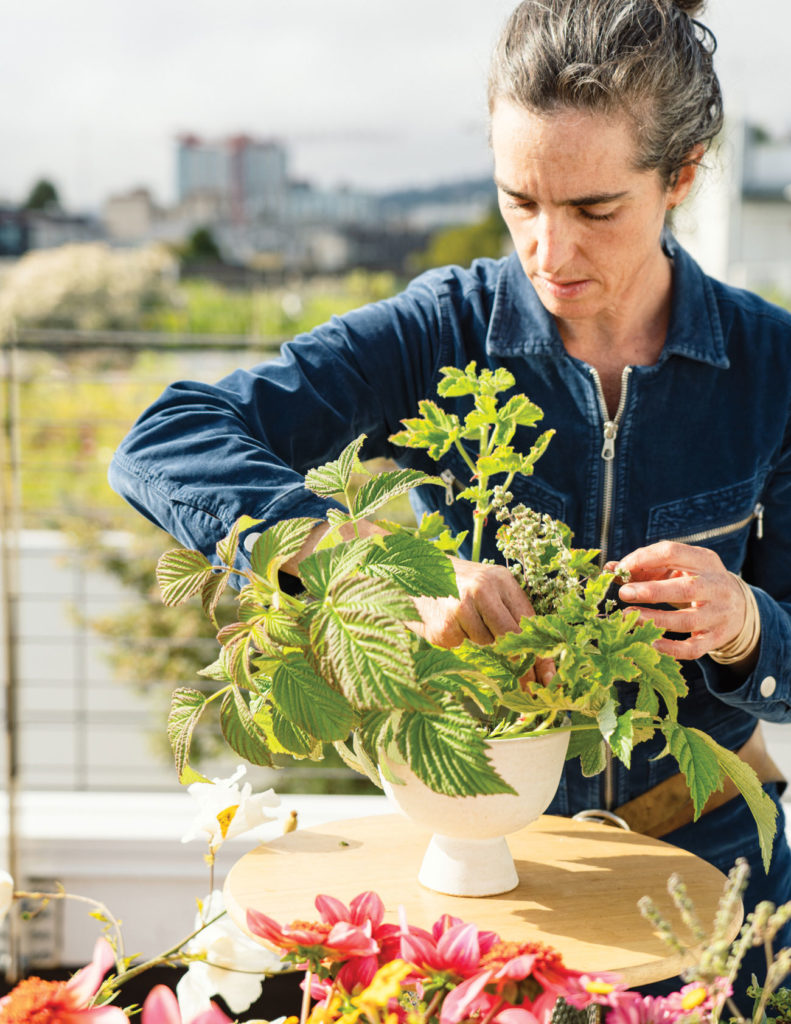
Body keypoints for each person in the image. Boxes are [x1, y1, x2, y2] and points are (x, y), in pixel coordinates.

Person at [110, 0, 791, 1003]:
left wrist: (742, 625)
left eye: (593, 210)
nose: (547, 252)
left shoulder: (767, 364)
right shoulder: (439, 331)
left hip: (712, 857)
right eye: (519, 199)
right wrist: (381, 568)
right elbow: (167, 438)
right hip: (492, 879)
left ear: (681, 174)